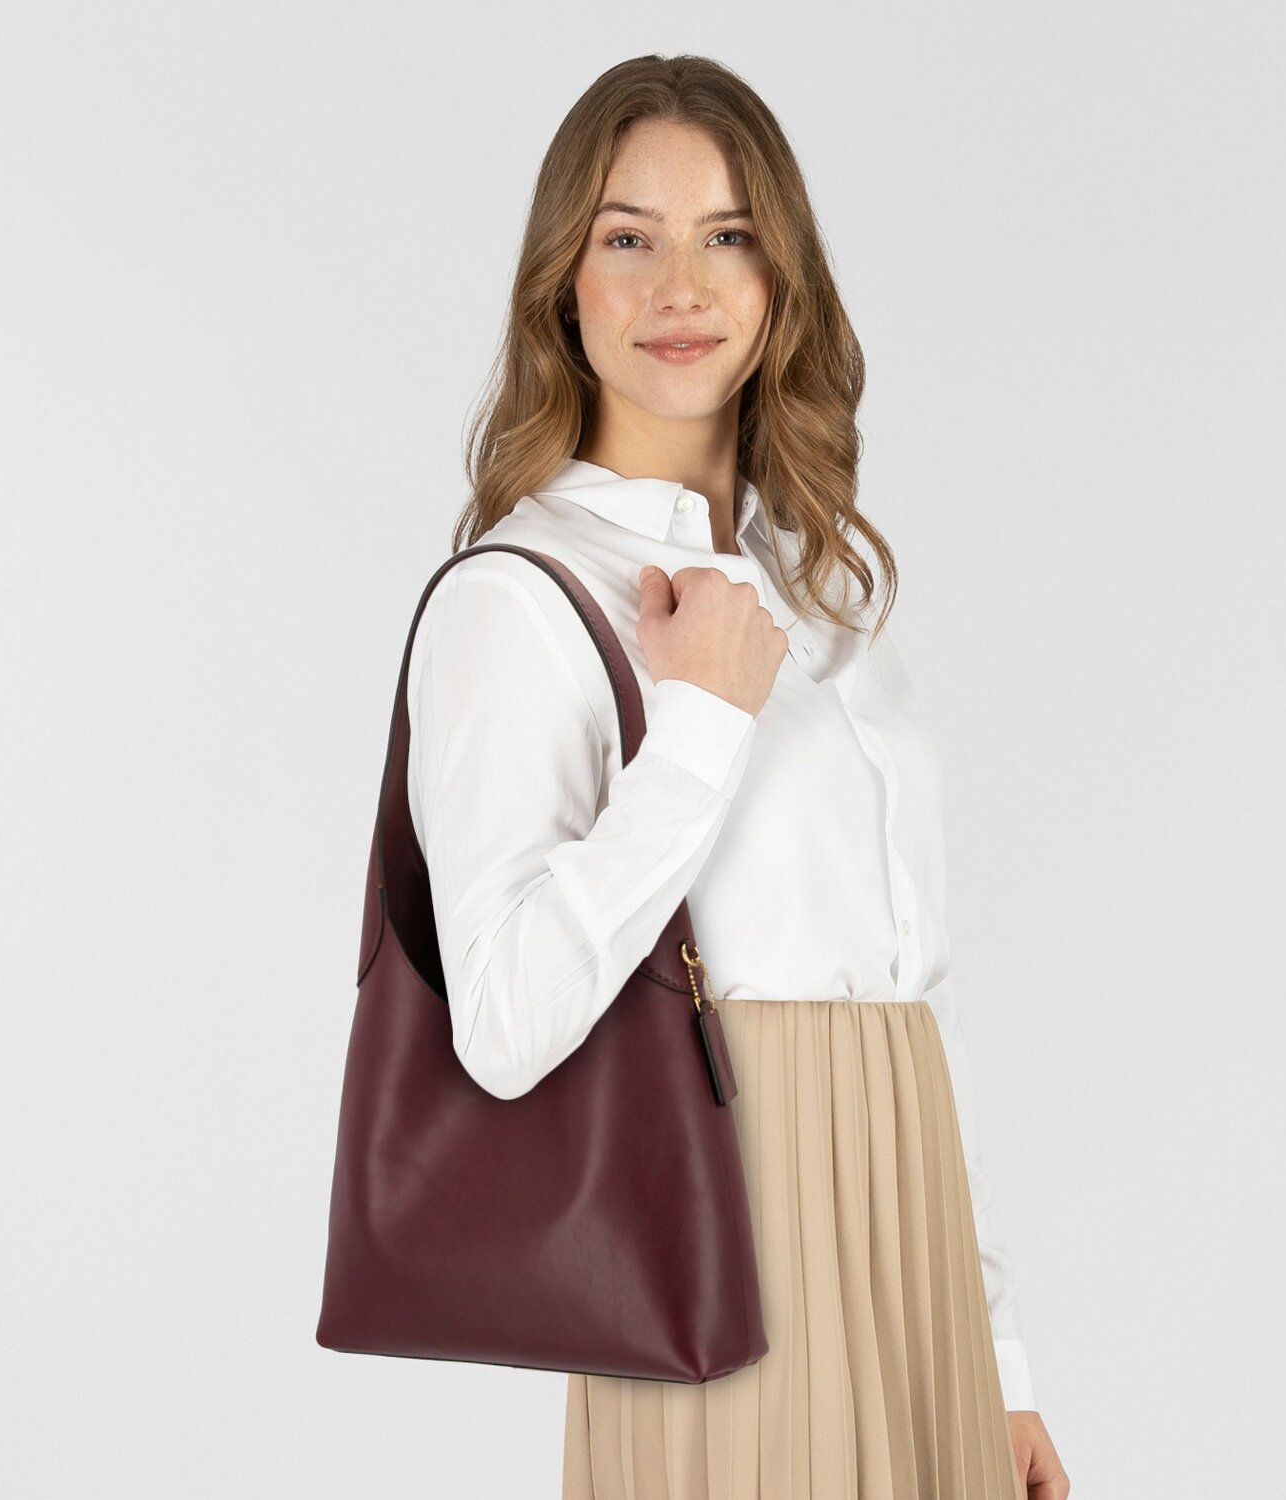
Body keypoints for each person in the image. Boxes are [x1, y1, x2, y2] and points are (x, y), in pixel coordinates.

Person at [406, 53, 1071, 1500]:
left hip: (914, 1249)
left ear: (782, 280)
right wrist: (699, 729)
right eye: (626, 237)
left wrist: (999, 1356)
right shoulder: (521, 596)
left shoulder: (816, 589)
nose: (681, 287)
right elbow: (501, 1024)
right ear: (562, 284)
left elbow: (914, 989)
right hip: (725, 1248)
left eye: (727, 234)